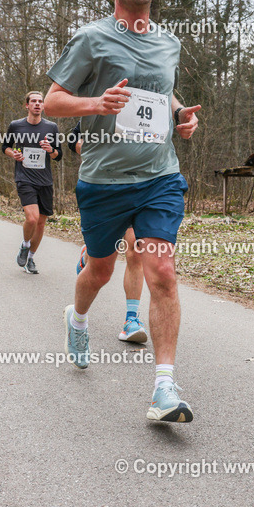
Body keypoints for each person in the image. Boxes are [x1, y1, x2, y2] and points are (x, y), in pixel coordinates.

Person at [45, 0, 201, 423]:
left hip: (159, 176)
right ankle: (77, 318)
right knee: (99, 271)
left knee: (163, 271)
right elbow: (53, 102)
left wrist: (180, 115)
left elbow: (163, 91)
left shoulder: (169, 42)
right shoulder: (91, 39)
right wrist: (96, 105)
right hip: (104, 180)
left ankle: (164, 389)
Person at [70, 120, 148, 343]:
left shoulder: (148, 107)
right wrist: (97, 155)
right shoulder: (105, 106)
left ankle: (131, 320)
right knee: (101, 263)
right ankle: (89, 255)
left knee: (136, 249)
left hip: (141, 188)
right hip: (105, 189)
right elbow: (73, 138)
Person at [1, 91, 63, 274]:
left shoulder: (51, 127)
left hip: (45, 180)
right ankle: (25, 245)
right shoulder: (16, 126)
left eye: (40, 101)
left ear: (43, 105)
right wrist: (14, 154)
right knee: (32, 218)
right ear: (26, 105)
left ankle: (30, 259)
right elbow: (5, 147)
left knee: (41, 223)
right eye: (33, 101)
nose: (37, 104)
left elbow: (58, 155)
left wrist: (50, 149)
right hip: (25, 178)